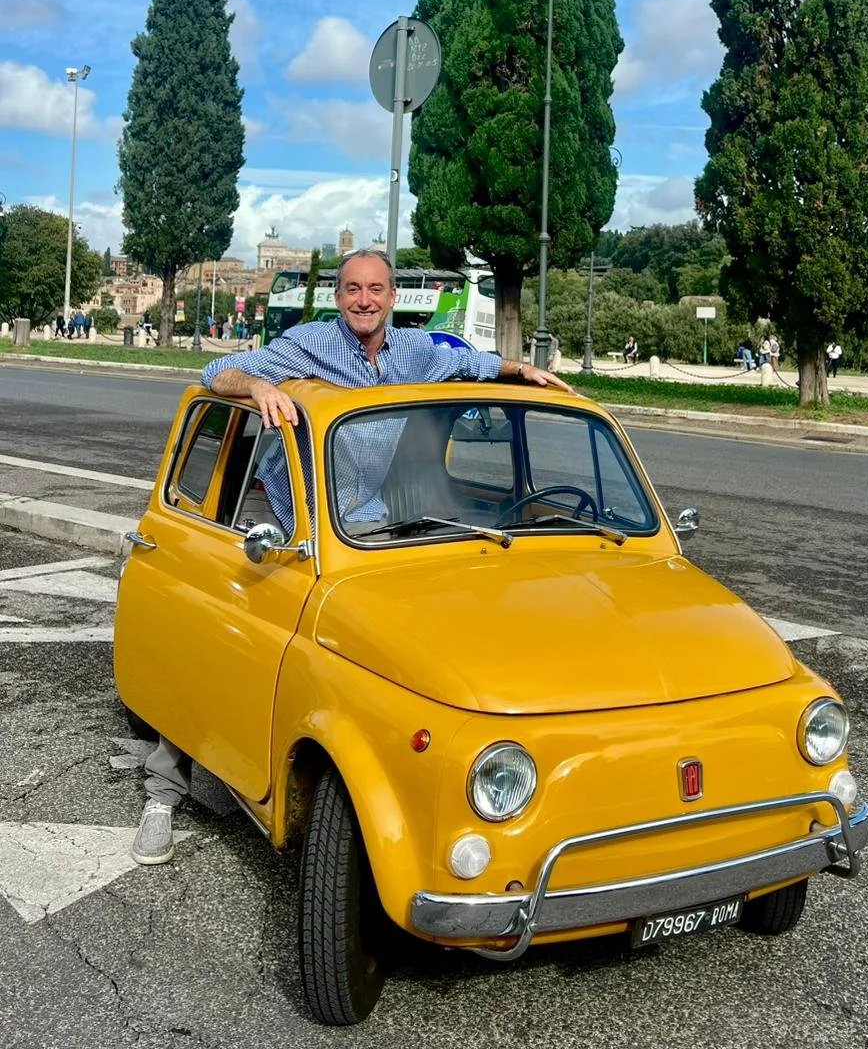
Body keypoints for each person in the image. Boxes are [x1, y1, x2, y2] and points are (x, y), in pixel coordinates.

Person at [132, 247, 573, 866]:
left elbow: (469, 362)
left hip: (364, 519)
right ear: (338, 297)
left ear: (392, 297)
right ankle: (164, 786)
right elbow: (218, 371)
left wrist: (519, 370)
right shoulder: (308, 345)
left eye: (376, 289)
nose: (364, 300)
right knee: (214, 637)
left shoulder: (415, 351)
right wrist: (260, 386)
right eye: (352, 290)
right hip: (285, 506)